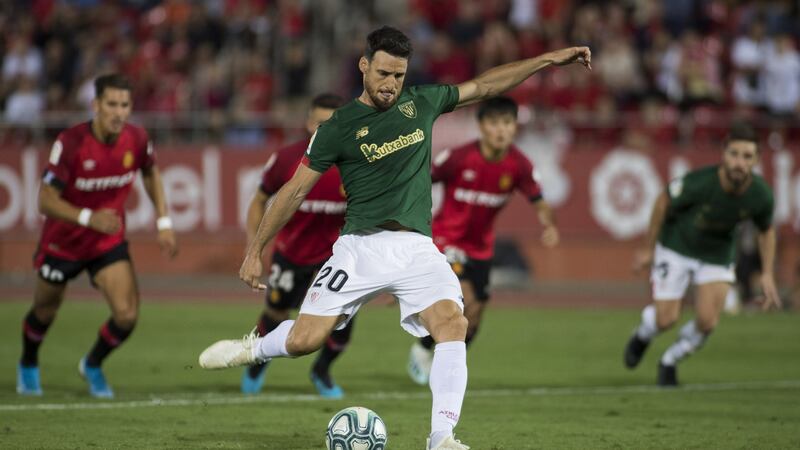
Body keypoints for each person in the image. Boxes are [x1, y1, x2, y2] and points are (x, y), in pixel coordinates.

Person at [199, 26, 589, 450]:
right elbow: (293, 191)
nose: (390, 84)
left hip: (418, 249)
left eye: (398, 76)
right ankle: (253, 350)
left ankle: (441, 438)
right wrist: (255, 250)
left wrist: (548, 59)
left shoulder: (421, 102)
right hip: (359, 249)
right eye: (383, 73)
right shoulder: (338, 126)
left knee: (452, 325)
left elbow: (485, 84)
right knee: (304, 340)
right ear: (364, 66)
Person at [16, 74, 178, 398]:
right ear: (96, 105)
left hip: (106, 243)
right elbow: (44, 200)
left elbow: (150, 171)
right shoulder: (71, 142)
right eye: (112, 105)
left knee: (127, 315)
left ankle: (92, 364)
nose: (119, 112)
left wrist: (163, 221)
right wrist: (89, 217)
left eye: (125, 105)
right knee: (45, 310)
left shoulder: (136, 138)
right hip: (63, 243)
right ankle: (29, 361)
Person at [407, 96, 559, 385]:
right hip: (445, 239)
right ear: (481, 126)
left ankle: (425, 347)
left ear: (515, 127)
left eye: (507, 123)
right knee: (462, 299)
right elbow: (422, 180)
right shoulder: (459, 157)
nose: (501, 130)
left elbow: (538, 199)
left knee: (474, 318)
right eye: (494, 123)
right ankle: (433, 360)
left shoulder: (519, 165)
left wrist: (548, 223)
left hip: (480, 247)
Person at [624, 122, 780, 386]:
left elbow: (766, 230)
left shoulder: (761, 196)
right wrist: (647, 249)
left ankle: (670, 359)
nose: (739, 163)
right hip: (677, 246)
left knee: (707, 322)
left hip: (716, 255)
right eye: (734, 154)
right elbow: (663, 200)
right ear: (723, 154)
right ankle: (643, 334)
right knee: (666, 319)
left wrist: (766, 273)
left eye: (746, 156)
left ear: (756, 160)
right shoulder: (701, 183)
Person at [242, 93, 351, 398]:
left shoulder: (355, 163)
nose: (325, 129)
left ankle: (322, 371)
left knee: (341, 322)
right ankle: (257, 362)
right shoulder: (288, 159)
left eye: (332, 123)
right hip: (290, 257)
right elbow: (260, 200)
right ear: (307, 123)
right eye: (319, 122)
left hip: (332, 261)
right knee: (275, 313)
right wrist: (254, 247)